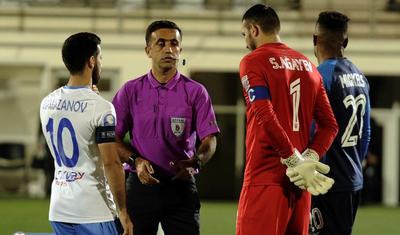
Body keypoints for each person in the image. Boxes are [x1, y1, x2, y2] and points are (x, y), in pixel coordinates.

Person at [236, 4, 338, 235]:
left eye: (244, 34)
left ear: (253, 29)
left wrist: (293, 160)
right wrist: (308, 158)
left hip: (265, 178)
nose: (245, 42)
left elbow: (264, 114)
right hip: (300, 186)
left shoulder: (252, 61)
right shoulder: (309, 67)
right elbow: (330, 125)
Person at [112, 20, 220, 235]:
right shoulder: (130, 90)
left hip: (180, 187)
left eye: (174, 43)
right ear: (148, 50)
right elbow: (111, 138)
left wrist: (196, 162)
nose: (168, 49)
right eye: (160, 43)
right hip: (140, 187)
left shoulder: (196, 92)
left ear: (180, 49)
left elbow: (210, 139)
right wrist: (136, 161)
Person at [39, 32, 133, 235]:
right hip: (93, 210)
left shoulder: (47, 103)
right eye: (100, 58)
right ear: (91, 61)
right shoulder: (101, 107)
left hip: (59, 208)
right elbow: (111, 163)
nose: (101, 62)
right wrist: (123, 211)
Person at [310, 11, 371, 235]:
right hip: (353, 179)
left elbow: (314, 129)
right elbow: (366, 134)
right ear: (345, 41)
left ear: (315, 40)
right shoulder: (360, 76)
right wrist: (352, 164)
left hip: (326, 182)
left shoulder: (321, 75)